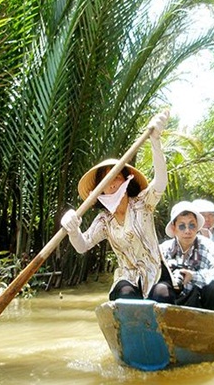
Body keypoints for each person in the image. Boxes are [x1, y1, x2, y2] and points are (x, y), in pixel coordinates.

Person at [60, 110, 175, 303]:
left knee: (161, 296)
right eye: (106, 181)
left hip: (154, 273)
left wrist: (156, 142)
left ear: (126, 181)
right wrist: (72, 229)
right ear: (100, 190)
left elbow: (160, 182)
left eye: (116, 178)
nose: (111, 184)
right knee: (127, 297)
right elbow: (82, 245)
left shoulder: (142, 204)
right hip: (128, 278)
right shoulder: (105, 220)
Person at [159, 201, 214, 311]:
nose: (187, 231)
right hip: (173, 302)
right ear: (174, 228)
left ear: (197, 227)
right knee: (160, 289)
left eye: (192, 225)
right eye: (182, 226)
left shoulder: (207, 246)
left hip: (199, 300)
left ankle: (211, 326)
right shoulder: (164, 249)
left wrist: (194, 276)